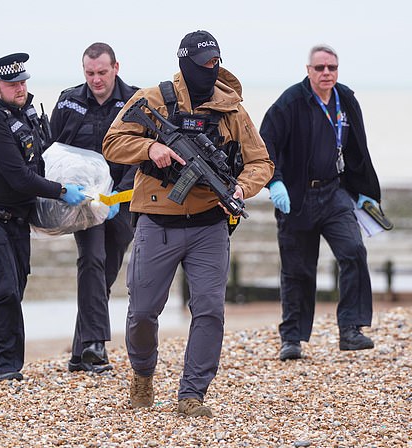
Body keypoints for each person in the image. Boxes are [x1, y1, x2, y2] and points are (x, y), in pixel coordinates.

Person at [103, 30, 274, 417]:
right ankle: (143, 373)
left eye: (216, 62)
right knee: (143, 311)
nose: (211, 70)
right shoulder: (152, 100)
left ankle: (192, 393)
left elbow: (261, 162)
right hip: (157, 222)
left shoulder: (232, 111)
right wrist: (151, 147)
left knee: (210, 309)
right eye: (204, 64)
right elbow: (112, 142)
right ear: (185, 64)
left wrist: (242, 189)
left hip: (210, 224)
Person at [0, 53, 86, 383]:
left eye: (23, 82)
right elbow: (20, 178)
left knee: (13, 288)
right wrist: (62, 191)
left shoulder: (24, 115)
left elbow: (45, 158)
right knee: (3, 292)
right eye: (12, 84)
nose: (20, 88)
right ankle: (4, 368)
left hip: (12, 215)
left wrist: (89, 190)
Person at [260, 44, 382, 361]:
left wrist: (364, 190)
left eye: (332, 67)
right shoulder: (290, 102)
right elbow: (265, 144)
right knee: (297, 269)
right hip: (297, 197)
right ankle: (292, 339)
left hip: (335, 193)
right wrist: (275, 182)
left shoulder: (346, 99)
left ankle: (352, 330)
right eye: (320, 68)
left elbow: (358, 148)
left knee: (354, 252)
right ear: (308, 70)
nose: (326, 73)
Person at [50, 43, 139, 374]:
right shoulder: (68, 100)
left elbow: (142, 152)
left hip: (119, 202)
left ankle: (79, 353)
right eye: (90, 73)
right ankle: (95, 347)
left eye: (102, 72)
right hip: (84, 204)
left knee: (104, 274)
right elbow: (53, 150)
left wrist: (120, 195)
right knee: (91, 260)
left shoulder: (135, 101)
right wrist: (58, 193)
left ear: (116, 66)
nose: (96, 79)